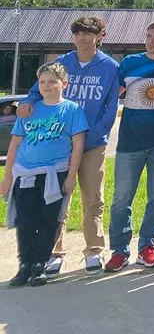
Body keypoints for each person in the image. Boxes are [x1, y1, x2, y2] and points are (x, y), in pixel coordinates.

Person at [18, 16, 119, 276]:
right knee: (58, 196)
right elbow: (37, 88)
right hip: (60, 142)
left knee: (93, 197)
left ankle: (94, 250)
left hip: (93, 144)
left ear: (100, 36)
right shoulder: (62, 63)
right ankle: (53, 252)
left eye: (88, 33)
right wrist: (27, 101)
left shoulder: (109, 66)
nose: (82, 37)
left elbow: (110, 105)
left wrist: (96, 133)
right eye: (78, 33)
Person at [2, 62, 88, 287]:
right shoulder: (28, 110)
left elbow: (77, 145)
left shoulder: (72, 110)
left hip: (54, 174)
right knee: (25, 221)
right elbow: (14, 144)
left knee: (49, 220)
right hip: (25, 173)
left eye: (52, 81)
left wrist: (70, 176)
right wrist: (8, 177)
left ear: (64, 84)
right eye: (42, 82)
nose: (47, 86)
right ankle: (25, 265)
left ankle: (40, 264)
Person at [104, 23, 154, 272]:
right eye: (148, 36)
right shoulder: (129, 63)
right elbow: (110, 95)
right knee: (121, 199)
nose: (151, 41)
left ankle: (147, 247)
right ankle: (119, 251)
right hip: (129, 141)